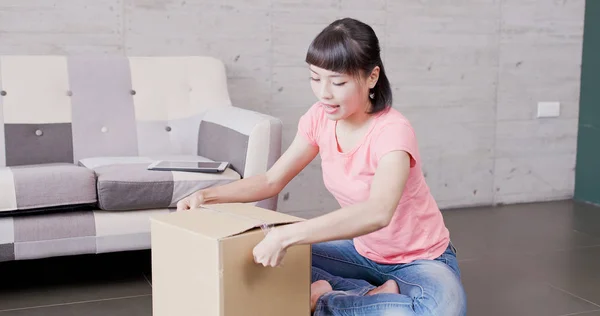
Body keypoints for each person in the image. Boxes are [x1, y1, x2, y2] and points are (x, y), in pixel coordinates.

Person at [177, 17, 467, 316]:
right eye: (315, 78)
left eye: (338, 82)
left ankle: (327, 301)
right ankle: (366, 295)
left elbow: (378, 213)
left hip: (421, 260)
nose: (324, 93)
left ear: (372, 77)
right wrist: (207, 196)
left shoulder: (393, 131)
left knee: (441, 309)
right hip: (361, 252)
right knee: (252, 255)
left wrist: (286, 234)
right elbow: (271, 180)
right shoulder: (319, 117)